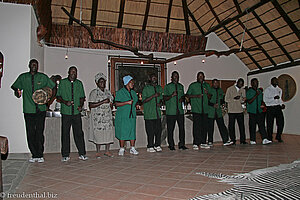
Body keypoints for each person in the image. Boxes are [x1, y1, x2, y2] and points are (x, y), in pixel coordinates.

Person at [11, 59, 55, 163]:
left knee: (39, 132)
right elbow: (15, 87)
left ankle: (40, 154)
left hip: (41, 110)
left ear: (38, 66)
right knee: (30, 133)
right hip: (28, 109)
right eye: (32, 64)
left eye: (36, 65)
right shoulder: (23, 77)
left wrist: (48, 101)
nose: (34, 66)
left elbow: (53, 87)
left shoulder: (43, 77)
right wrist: (17, 92)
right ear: (29, 65)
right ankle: (34, 154)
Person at [56, 66, 88, 162]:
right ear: (68, 72)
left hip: (76, 112)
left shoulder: (79, 83)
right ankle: (65, 154)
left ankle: (82, 153)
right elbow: (58, 96)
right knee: (65, 133)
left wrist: (80, 105)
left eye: (75, 72)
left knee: (79, 133)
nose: (73, 73)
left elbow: (82, 97)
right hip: (66, 112)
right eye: (72, 72)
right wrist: (65, 102)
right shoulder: (63, 82)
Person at [88, 72, 114, 158]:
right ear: (97, 83)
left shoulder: (108, 92)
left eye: (104, 82)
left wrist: (110, 104)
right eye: (101, 82)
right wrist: (102, 102)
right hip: (98, 118)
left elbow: (111, 104)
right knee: (98, 134)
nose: (103, 84)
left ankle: (107, 151)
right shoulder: (94, 93)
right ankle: (98, 151)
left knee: (108, 134)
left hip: (107, 117)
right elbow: (91, 105)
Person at [115, 75, 139, 156]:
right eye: (131, 82)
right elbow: (116, 104)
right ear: (127, 83)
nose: (133, 84)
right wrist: (127, 102)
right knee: (123, 132)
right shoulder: (120, 92)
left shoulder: (133, 93)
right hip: (123, 116)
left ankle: (132, 148)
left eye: (133, 82)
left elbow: (135, 102)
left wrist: (136, 105)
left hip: (131, 116)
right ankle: (122, 148)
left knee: (132, 131)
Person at [163, 71, 188, 150]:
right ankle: (171, 145)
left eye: (177, 76)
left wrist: (182, 98)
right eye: (174, 76)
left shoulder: (181, 86)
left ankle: (182, 144)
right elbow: (164, 98)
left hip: (180, 111)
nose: (176, 78)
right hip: (171, 112)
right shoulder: (168, 86)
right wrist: (172, 95)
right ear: (171, 77)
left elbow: (183, 96)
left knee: (182, 129)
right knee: (170, 129)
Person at [186, 72, 211, 150]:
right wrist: (196, 96)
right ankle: (196, 143)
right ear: (197, 77)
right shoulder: (193, 85)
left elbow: (210, 97)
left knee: (205, 127)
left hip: (205, 110)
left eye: (202, 76)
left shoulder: (207, 85)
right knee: (197, 127)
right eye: (199, 76)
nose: (200, 77)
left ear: (204, 77)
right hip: (196, 110)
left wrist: (207, 93)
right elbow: (187, 95)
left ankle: (203, 142)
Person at [246, 78, 272, 145]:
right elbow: (249, 101)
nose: (256, 84)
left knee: (262, 125)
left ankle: (264, 139)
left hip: (259, 111)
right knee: (252, 126)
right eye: (255, 82)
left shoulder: (260, 91)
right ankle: (252, 140)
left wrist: (262, 105)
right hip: (252, 111)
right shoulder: (249, 91)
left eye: (257, 82)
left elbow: (261, 100)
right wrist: (256, 95)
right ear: (252, 84)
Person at [207, 79, 233, 146]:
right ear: (212, 84)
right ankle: (210, 141)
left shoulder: (220, 90)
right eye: (214, 83)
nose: (216, 84)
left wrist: (222, 104)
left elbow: (221, 99)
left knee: (222, 126)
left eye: (217, 83)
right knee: (210, 127)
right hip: (211, 111)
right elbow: (207, 101)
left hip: (218, 112)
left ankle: (225, 140)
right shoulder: (209, 90)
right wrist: (213, 105)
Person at [142, 73, 163, 153]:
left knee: (158, 131)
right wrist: (153, 96)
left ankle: (157, 145)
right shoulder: (146, 88)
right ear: (150, 78)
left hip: (157, 114)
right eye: (153, 78)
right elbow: (143, 100)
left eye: (156, 78)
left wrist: (160, 103)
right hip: (149, 114)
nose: (155, 79)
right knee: (150, 132)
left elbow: (161, 98)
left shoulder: (159, 88)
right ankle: (150, 146)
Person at [225, 78, 247, 145]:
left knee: (241, 126)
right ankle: (233, 139)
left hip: (240, 110)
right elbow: (226, 99)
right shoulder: (230, 89)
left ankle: (242, 140)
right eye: (240, 84)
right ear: (237, 83)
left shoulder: (243, 90)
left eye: (242, 84)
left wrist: (243, 100)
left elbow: (243, 100)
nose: (241, 85)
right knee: (231, 126)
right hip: (232, 111)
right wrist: (234, 99)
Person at [263, 77, 285, 142]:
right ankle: (269, 137)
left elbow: (280, 99)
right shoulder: (267, 90)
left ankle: (278, 136)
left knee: (281, 122)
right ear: (271, 82)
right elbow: (265, 100)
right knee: (270, 123)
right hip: (270, 108)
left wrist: (282, 104)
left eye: (277, 81)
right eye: (275, 81)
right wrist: (273, 98)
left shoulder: (279, 89)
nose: (276, 82)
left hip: (278, 107)